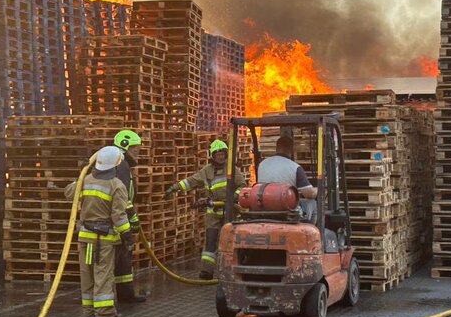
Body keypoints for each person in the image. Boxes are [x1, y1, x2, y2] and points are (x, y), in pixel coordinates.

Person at [165, 139, 246, 280]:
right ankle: (207, 271)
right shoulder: (207, 171)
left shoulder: (232, 169)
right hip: (213, 212)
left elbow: (242, 186)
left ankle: (232, 270)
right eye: (217, 154)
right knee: (210, 242)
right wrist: (175, 188)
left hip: (231, 211)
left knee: (231, 241)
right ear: (212, 156)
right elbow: (191, 181)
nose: (220, 156)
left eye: (222, 154)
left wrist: (234, 197)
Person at [76, 146, 134, 317]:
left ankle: (89, 311)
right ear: (116, 165)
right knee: (103, 274)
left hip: (86, 238)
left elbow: (69, 192)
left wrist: (81, 176)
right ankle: (105, 312)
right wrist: (127, 233)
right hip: (103, 240)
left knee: (88, 273)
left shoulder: (84, 181)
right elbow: (118, 215)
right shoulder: (116, 185)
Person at [112, 129, 146, 303]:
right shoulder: (122, 165)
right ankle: (123, 295)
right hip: (119, 217)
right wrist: (132, 217)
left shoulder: (118, 162)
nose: (137, 152)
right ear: (124, 146)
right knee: (121, 253)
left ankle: (126, 294)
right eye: (135, 149)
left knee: (123, 255)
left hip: (117, 216)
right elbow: (123, 195)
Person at [257, 136, 318, 223]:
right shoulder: (295, 168)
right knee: (312, 203)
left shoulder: (262, 164)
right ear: (291, 150)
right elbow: (308, 193)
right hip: (286, 209)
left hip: (264, 206)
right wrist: (318, 190)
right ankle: (313, 231)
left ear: (276, 148)